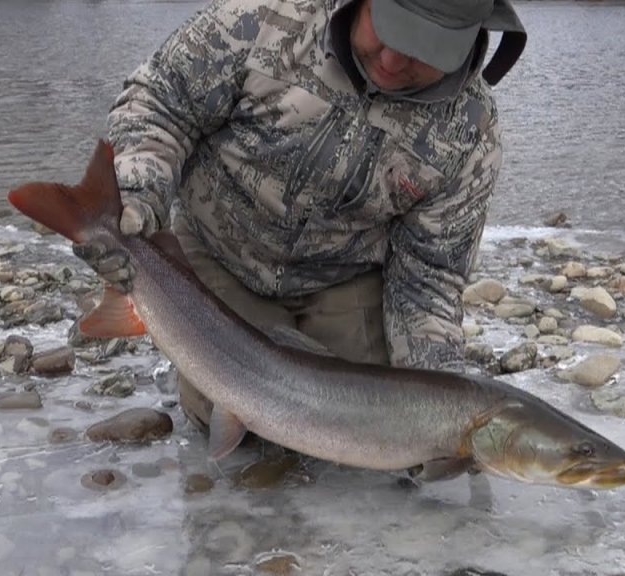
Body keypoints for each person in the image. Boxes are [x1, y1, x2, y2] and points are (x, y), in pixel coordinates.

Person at [78, 0, 526, 429]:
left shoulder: (470, 132)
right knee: (235, 410)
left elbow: (428, 277)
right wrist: (136, 199)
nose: (391, 59)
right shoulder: (265, 17)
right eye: (387, 28)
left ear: (469, 41)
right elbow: (160, 104)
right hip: (222, 248)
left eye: (423, 48)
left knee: (378, 425)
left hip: (341, 274)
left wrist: (443, 411)